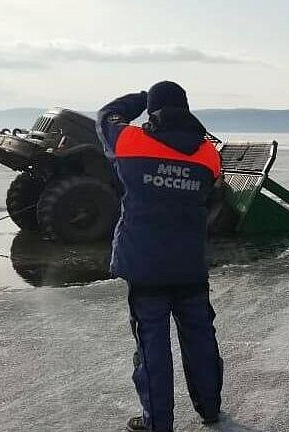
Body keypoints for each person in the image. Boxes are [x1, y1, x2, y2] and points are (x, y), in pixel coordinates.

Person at [97, 81, 224, 431]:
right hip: (190, 264)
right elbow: (211, 194)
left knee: (152, 344)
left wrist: (139, 99)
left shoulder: (130, 141)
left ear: (153, 110)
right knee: (200, 336)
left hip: (145, 263)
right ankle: (210, 409)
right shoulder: (208, 153)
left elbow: (106, 115)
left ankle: (159, 423)